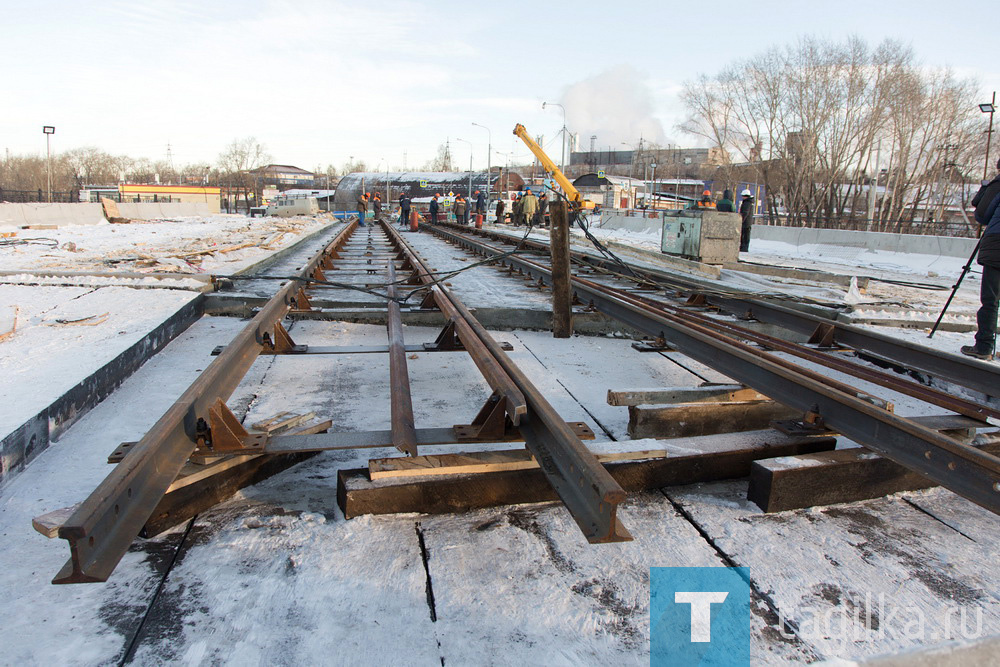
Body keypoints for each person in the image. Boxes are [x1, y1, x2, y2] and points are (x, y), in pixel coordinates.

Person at [962, 158, 1000, 360]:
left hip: (997, 246)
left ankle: (984, 346)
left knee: (990, 300)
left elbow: (982, 214)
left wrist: (987, 189)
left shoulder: (997, 185)